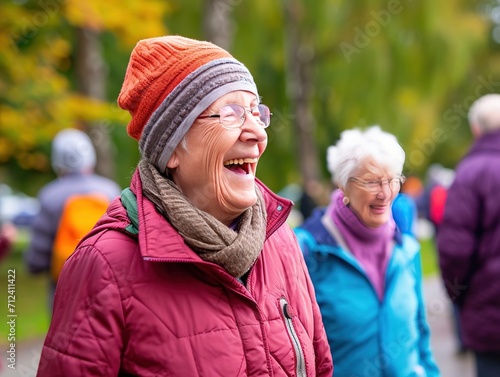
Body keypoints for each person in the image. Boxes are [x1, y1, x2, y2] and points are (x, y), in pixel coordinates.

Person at [36, 35, 333, 376]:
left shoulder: (280, 240)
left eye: (256, 112)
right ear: (172, 149)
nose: (257, 133)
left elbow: (320, 365)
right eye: (231, 113)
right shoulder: (104, 267)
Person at [294, 126, 440, 377]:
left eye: (393, 180)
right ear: (343, 185)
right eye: (372, 181)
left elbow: (420, 333)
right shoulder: (307, 250)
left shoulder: (406, 248)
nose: (385, 193)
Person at [437, 93, 500, 377]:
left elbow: (455, 250)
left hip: (490, 313)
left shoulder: (469, 173)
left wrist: (459, 296)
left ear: (476, 128)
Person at [24, 128, 121, 306]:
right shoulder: (111, 191)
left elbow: (37, 260)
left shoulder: (50, 196)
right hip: (107, 285)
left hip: (64, 290)